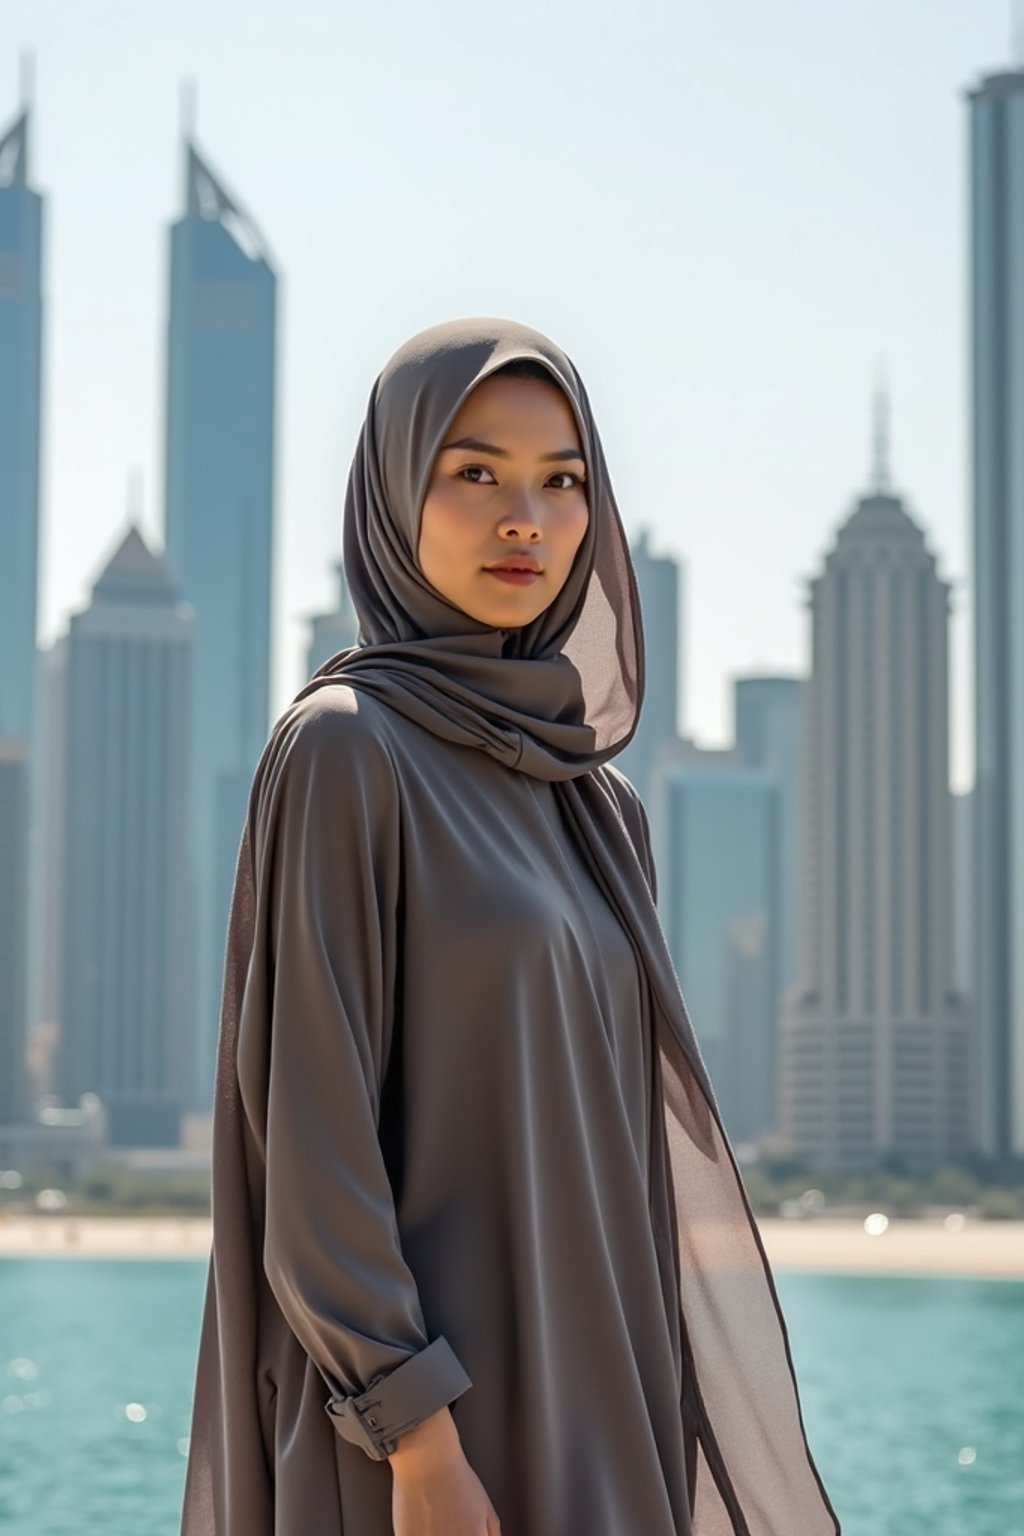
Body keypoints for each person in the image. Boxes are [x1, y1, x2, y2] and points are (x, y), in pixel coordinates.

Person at [179, 317, 843, 1536]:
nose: (525, 518)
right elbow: (312, 1143)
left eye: (563, 481)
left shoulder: (597, 804)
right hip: (421, 1443)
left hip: (604, 1399)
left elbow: (622, 1153)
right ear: (394, 491)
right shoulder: (345, 749)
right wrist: (419, 1442)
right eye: (474, 472)